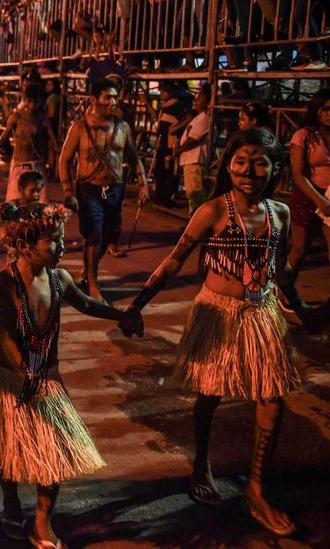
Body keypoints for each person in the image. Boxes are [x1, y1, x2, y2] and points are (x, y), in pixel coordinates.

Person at [120, 128, 320, 537]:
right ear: (227, 164)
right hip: (216, 314)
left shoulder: (278, 213)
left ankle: (257, 489)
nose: (249, 170)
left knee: (272, 397)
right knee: (209, 395)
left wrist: (301, 309)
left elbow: (280, 271)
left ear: (276, 168)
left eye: (260, 162)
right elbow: (175, 260)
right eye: (241, 161)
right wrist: (136, 304)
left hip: (262, 313)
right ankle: (201, 464)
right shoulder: (212, 211)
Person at [0, 202, 133, 547]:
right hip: (9, 381)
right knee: (9, 448)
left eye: (62, 239)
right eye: (54, 241)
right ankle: (11, 503)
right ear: (24, 245)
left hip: (47, 382)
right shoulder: (2, 282)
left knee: (55, 451)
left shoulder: (61, 279)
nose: (63, 247)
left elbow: (86, 304)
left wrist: (121, 315)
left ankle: (42, 521)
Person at [58, 80, 148, 302]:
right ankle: (94, 287)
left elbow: (133, 155)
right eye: (107, 97)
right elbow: (64, 160)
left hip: (116, 189)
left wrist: (143, 182)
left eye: (115, 97)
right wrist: (68, 191)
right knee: (94, 234)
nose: (113, 101)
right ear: (94, 100)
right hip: (89, 189)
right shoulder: (79, 128)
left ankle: (89, 272)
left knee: (110, 234)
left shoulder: (123, 127)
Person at [0, 81, 59, 202]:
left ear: (41, 101)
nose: (32, 105)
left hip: (36, 166)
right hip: (18, 166)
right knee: (14, 208)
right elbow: (2, 140)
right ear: (24, 99)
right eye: (29, 101)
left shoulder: (43, 119)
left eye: (36, 102)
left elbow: (55, 145)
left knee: (41, 207)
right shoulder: (16, 117)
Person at [287, 89, 330, 279]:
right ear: (317, 110)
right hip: (308, 194)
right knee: (300, 249)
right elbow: (297, 173)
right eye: (326, 109)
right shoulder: (303, 135)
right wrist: (319, 200)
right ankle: (284, 294)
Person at [175, 88, 211, 217]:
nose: (195, 101)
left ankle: (196, 223)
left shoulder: (205, 118)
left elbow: (192, 139)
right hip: (190, 159)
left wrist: (178, 150)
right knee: (192, 194)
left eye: (199, 99)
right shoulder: (198, 117)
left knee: (195, 194)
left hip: (195, 160)